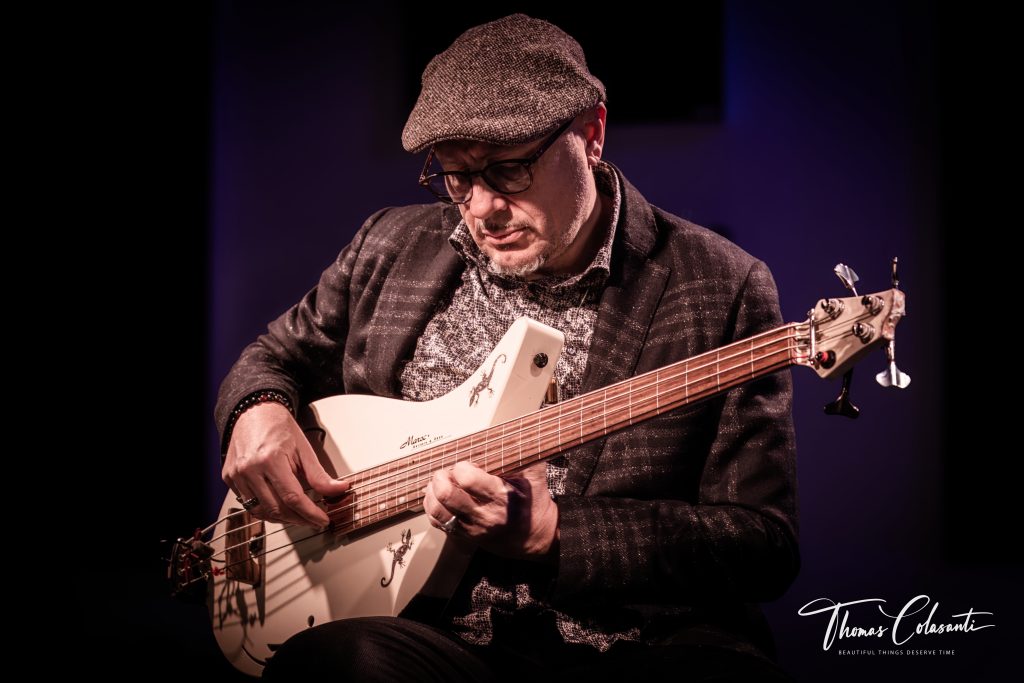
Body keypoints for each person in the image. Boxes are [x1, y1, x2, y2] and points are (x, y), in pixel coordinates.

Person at [216, 13, 799, 681]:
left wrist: (555, 533)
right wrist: (256, 410)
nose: (481, 208)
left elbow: (764, 543)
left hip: (631, 642)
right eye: (456, 177)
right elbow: (272, 359)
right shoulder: (388, 246)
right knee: (336, 664)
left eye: (510, 170)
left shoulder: (719, 284)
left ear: (592, 135)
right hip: (428, 633)